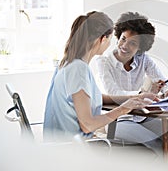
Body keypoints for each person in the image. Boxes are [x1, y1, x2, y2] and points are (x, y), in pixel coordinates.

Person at [43, 11, 156, 142]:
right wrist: (123, 109)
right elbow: (87, 125)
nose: (109, 44)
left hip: (63, 144)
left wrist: (134, 97)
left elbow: (89, 97)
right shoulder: (78, 69)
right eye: (109, 39)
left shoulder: (68, 64)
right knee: (154, 148)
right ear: (103, 39)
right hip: (72, 149)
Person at [96, 12, 168, 164]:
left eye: (132, 43)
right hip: (118, 119)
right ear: (118, 36)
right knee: (159, 147)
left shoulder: (143, 59)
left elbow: (163, 80)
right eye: (123, 39)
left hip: (142, 117)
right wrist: (142, 95)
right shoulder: (104, 62)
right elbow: (113, 93)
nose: (125, 46)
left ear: (140, 48)